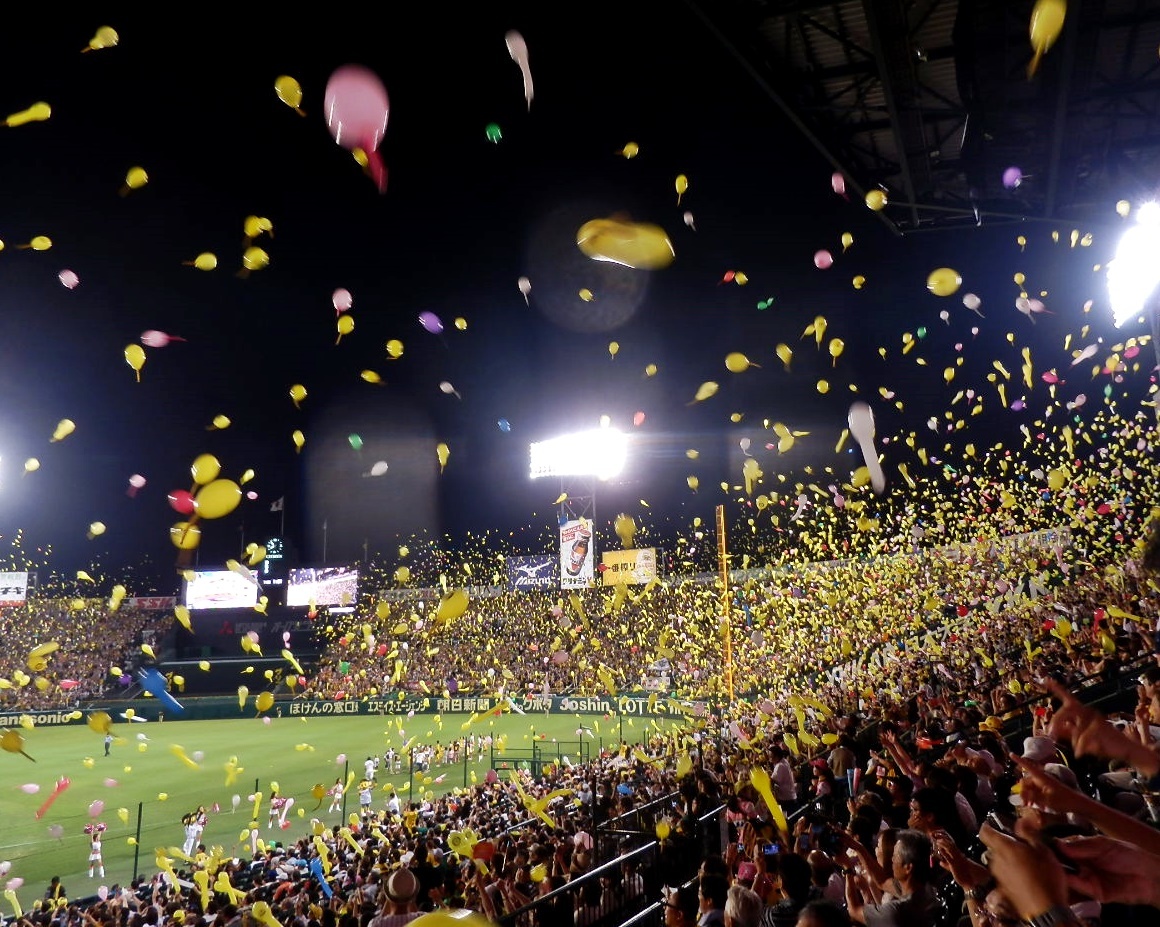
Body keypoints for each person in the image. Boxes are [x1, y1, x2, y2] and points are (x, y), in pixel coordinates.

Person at [845, 829, 942, 927]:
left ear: (908, 867)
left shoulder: (896, 912)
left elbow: (854, 910)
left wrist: (847, 868)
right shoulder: (926, 891)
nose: (892, 859)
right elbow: (882, 882)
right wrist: (858, 848)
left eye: (895, 856)